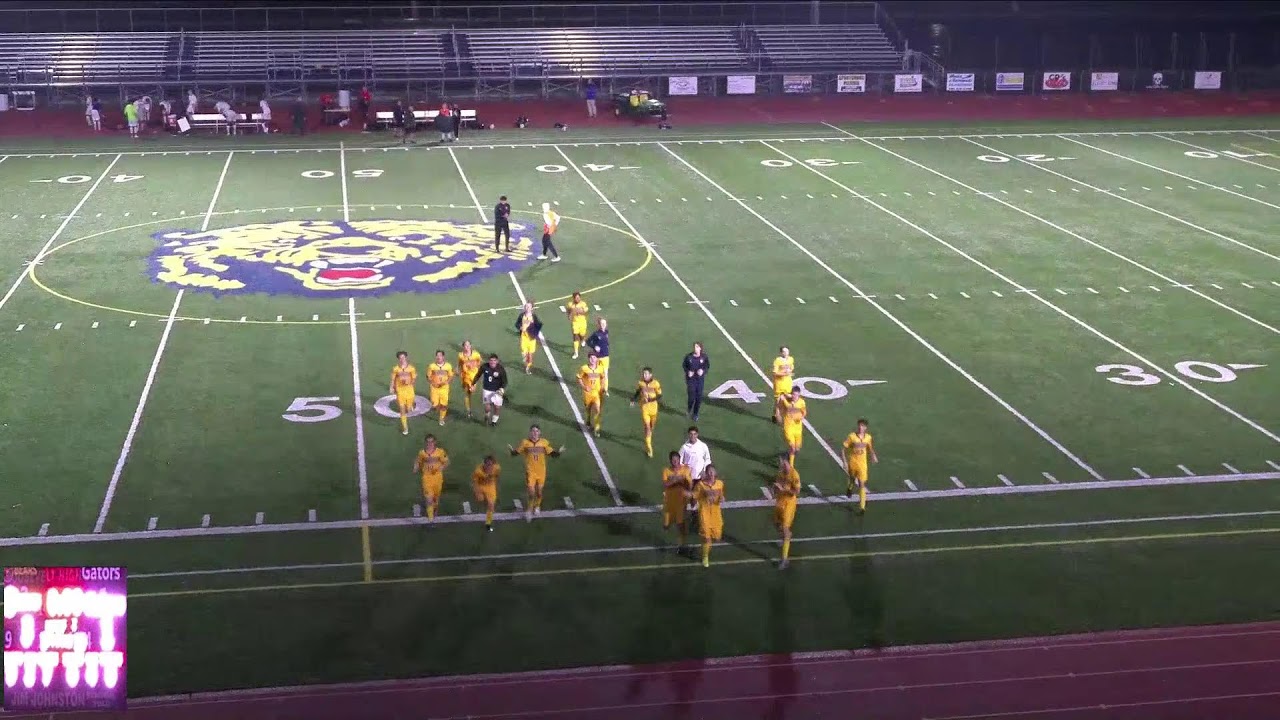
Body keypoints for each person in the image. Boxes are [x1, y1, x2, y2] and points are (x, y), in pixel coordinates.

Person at [509, 424, 563, 522]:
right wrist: (512, 451)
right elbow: (516, 452)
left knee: (539, 492)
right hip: (530, 472)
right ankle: (529, 510)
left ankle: (537, 506)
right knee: (531, 492)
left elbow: (552, 454)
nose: (534, 433)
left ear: (540, 432)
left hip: (541, 471)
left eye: (536, 431)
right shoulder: (525, 443)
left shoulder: (544, 443)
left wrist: (558, 452)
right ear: (530, 432)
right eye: (533, 431)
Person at [678, 425, 712, 535]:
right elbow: (680, 461)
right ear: (688, 435)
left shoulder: (703, 446)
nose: (692, 436)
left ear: (697, 435)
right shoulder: (684, 447)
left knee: (696, 496)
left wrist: (704, 471)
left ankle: (693, 513)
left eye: (694, 434)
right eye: (691, 434)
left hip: (699, 477)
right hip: (688, 477)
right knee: (686, 495)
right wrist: (684, 470)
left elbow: (707, 459)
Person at [843, 418, 878, 514]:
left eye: (862, 426)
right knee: (852, 479)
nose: (860, 427)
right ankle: (850, 488)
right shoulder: (852, 436)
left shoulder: (868, 438)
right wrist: (845, 462)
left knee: (862, 484)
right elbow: (843, 449)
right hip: (853, 462)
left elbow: (870, 448)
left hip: (862, 464)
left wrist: (873, 455)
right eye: (859, 425)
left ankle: (862, 507)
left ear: (865, 428)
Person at [773, 455, 801, 569]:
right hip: (780, 502)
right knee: (776, 523)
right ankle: (787, 535)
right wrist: (774, 490)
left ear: (787, 462)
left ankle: (784, 559)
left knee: (784, 528)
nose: (780, 464)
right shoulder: (780, 473)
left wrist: (784, 489)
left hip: (789, 504)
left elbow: (797, 491)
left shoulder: (794, 475)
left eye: (782, 462)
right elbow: (777, 485)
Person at [694, 465, 725, 568]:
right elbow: (695, 496)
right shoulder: (701, 485)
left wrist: (721, 499)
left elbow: (721, 496)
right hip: (704, 514)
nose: (711, 474)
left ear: (715, 473)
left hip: (716, 515)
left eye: (713, 472)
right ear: (706, 474)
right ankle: (705, 556)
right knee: (706, 538)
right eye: (709, 472)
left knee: (716, 538)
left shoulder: (720, 484)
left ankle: (705, 549)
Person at [413, 434, 449, 521]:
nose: (430, 444)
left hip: (438, 479)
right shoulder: (422, 453)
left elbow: (447, 462)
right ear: (425, 443)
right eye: (428, 442)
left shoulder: (440, 452)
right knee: (429, 499)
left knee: (435, 499)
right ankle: (431, 520)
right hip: (426, 478)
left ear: (435, 442)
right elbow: (418, 461)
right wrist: (415, 467)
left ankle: (435, 509)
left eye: (431, 442)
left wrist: (441, 467)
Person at [661, 451, 692, 550]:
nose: (675, 462)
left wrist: (685, 481)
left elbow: (689, 485)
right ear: (670, 461)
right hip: (669, 501)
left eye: (677, 460)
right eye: (673, 460)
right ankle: (666, 537)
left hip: (680, 502)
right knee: (666, 525)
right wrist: (676, 480)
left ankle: (680, 545)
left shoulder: (686, 470)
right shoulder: (666, 471)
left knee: (680, 524)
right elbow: (665, 485)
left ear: (679, 460)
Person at [631, 367, 662, 458]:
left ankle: (648, 437)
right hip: (644, 408)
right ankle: (649, 448)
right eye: (644, 374)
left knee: (651, 427)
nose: (644, 375)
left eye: (646, 374)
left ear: (650, 375)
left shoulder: (655, 384)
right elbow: (638, 391)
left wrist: (651, 399)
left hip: (654, 408)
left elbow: (660, 395)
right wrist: (633, 399)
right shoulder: (640, 383)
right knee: (648, 428)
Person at [389, 351, 417, 435]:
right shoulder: (395, 369)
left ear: (406, 358)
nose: (402, 359)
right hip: (400, 391)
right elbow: (393, 379)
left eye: (403, 357)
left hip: (409, 391)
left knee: (409, 409)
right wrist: (391, 387)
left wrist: (409, 383)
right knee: (402, 410)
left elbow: (414, 379)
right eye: (400, 358)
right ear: (398, 359)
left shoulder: (411, 368)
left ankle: (410, 406)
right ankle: (405, 427)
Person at [577, 353, 605, 437]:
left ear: (597, 359)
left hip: (596, 393)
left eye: (594, 357)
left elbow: (603, 377)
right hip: (587, 393)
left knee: (597, 410)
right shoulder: (584, 368)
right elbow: (579, 378)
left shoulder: (600, 368)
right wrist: (584, 386)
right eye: (591, 358)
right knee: (588, 409)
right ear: (588, 359)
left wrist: (602, 387)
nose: (592, 359)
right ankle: (588, 421)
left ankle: (596, 429)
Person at [471, 455, 501, 532]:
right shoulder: (478, 471)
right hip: (480, 486)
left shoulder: (497, 468)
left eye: (491, 465)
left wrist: (493, 483)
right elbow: (474, 482)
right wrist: (476, 491)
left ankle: (488, 524)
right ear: (484, 464)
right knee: (480, 499)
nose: (489, 467)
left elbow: (497, 476)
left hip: (490, 486)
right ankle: (484, 500)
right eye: (487, 465)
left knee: (491, 506)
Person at [682, 342, 710, 421]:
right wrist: (688, 372)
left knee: (699, 398)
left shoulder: (704, 357)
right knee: (691, 398)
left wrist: (703, 371)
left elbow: (707, 366)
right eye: (694, 347)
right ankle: (689, 409)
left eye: (697, 347)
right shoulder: (689, 357)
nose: (695, 348)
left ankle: (695, 413)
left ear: (700, 348)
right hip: (691, 380)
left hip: (700, 380)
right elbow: (684, 365)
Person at [427, 350, 455, 426]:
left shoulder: (448, 366)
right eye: (437, 355)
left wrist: (446, 382)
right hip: (434, 388)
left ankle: (441, 418)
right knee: (434, 404)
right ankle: (439, 409)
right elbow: (428, 376)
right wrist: (432, 383)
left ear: (443, 357)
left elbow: (451, 376)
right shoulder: (432, 366)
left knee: (444, 404)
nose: (438, 357)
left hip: (444, 388)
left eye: (440, 355)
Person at [779, 388, 806, 464]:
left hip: (798, 428)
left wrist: (802, 416)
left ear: (799, 395)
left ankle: (785, 456)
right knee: (792, 447)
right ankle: (791, 465)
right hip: (788, 428)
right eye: (794, 394)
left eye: (797, 395)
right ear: (791, 394)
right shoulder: (787, 402)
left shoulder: (802, 402)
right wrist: (783, 399)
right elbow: (788, 407)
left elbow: (804, 411)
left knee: (797, 449)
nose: (795, 396)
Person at [457, 340, 483, 419]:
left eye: (468, 345)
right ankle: (468, 411)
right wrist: (459, 371)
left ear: (471, 346)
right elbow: (459, 364)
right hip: (465, 376)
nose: (467, 347)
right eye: (465, 345)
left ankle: (469, 409)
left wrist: (476, 368)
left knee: (471, 392)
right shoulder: (461, 355)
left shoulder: (476, 354)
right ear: (463, 346)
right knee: (467, 393)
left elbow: (479, 362)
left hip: (474, 376)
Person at [514, 302, 542, 375]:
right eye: (526, 306)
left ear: (532, 308)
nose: (527, 308)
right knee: (524, 353)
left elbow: (539, 325)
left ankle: (528, 367)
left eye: (529, 307)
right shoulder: (521, 315)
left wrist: (534, 329)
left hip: (531, 338)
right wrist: (520, 327)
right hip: (524, 337)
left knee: (530, 355)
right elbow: (516, 324)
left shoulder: (534, 316)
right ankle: (526, 361)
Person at [480, 354, 508, 426]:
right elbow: (478, 375)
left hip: (497, 390)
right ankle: (487, 415)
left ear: (497, 361)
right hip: (487, 389)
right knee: (487, 407)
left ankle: (494, 421)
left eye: (494, 361)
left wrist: (502, 388)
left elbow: (505, 381)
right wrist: (473, 383)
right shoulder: (484, 366)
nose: (492, 362)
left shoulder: (501, 369)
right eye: (491, 360)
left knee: (497, 407)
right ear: (489, 361)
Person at [586, 317, 610, 395]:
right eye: (601, 323)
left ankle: (605, 390)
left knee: (605, 374)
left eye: (604, 323)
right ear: (599, 325)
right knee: (598, 374)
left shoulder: (606, 332)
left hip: (606, 356)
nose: (603, 325)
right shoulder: (596, 334)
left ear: (606, 324)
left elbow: (606, 341)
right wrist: (594, 346)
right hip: (598, 357)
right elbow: (588, 341)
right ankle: (597, 388)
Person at [771, 346, 795, 424]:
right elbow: (775, 373)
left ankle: (784, 415)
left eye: (787, 351)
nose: (786, 353)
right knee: (778, 402)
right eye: (784, 352)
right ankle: (776, 416)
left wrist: (790, 371)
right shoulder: (777, 361)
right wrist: (784, 373)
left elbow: (791, 367)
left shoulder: (791, 359)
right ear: (781, 352)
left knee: (788, 400)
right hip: (779, 383)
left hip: (788, 382)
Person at [566, 291, 589, 359]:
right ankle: (576, 352)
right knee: (575, 336)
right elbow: (568, 310)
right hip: (575, 323)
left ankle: (583, 340)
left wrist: (575, 310)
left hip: (582, 323)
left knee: (582, 335)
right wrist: (569, 314)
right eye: (576, 298)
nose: (578, 299)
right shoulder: (570, 304)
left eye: (578, 297)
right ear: (573, 298)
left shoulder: (583, 304)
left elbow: (583, 311)